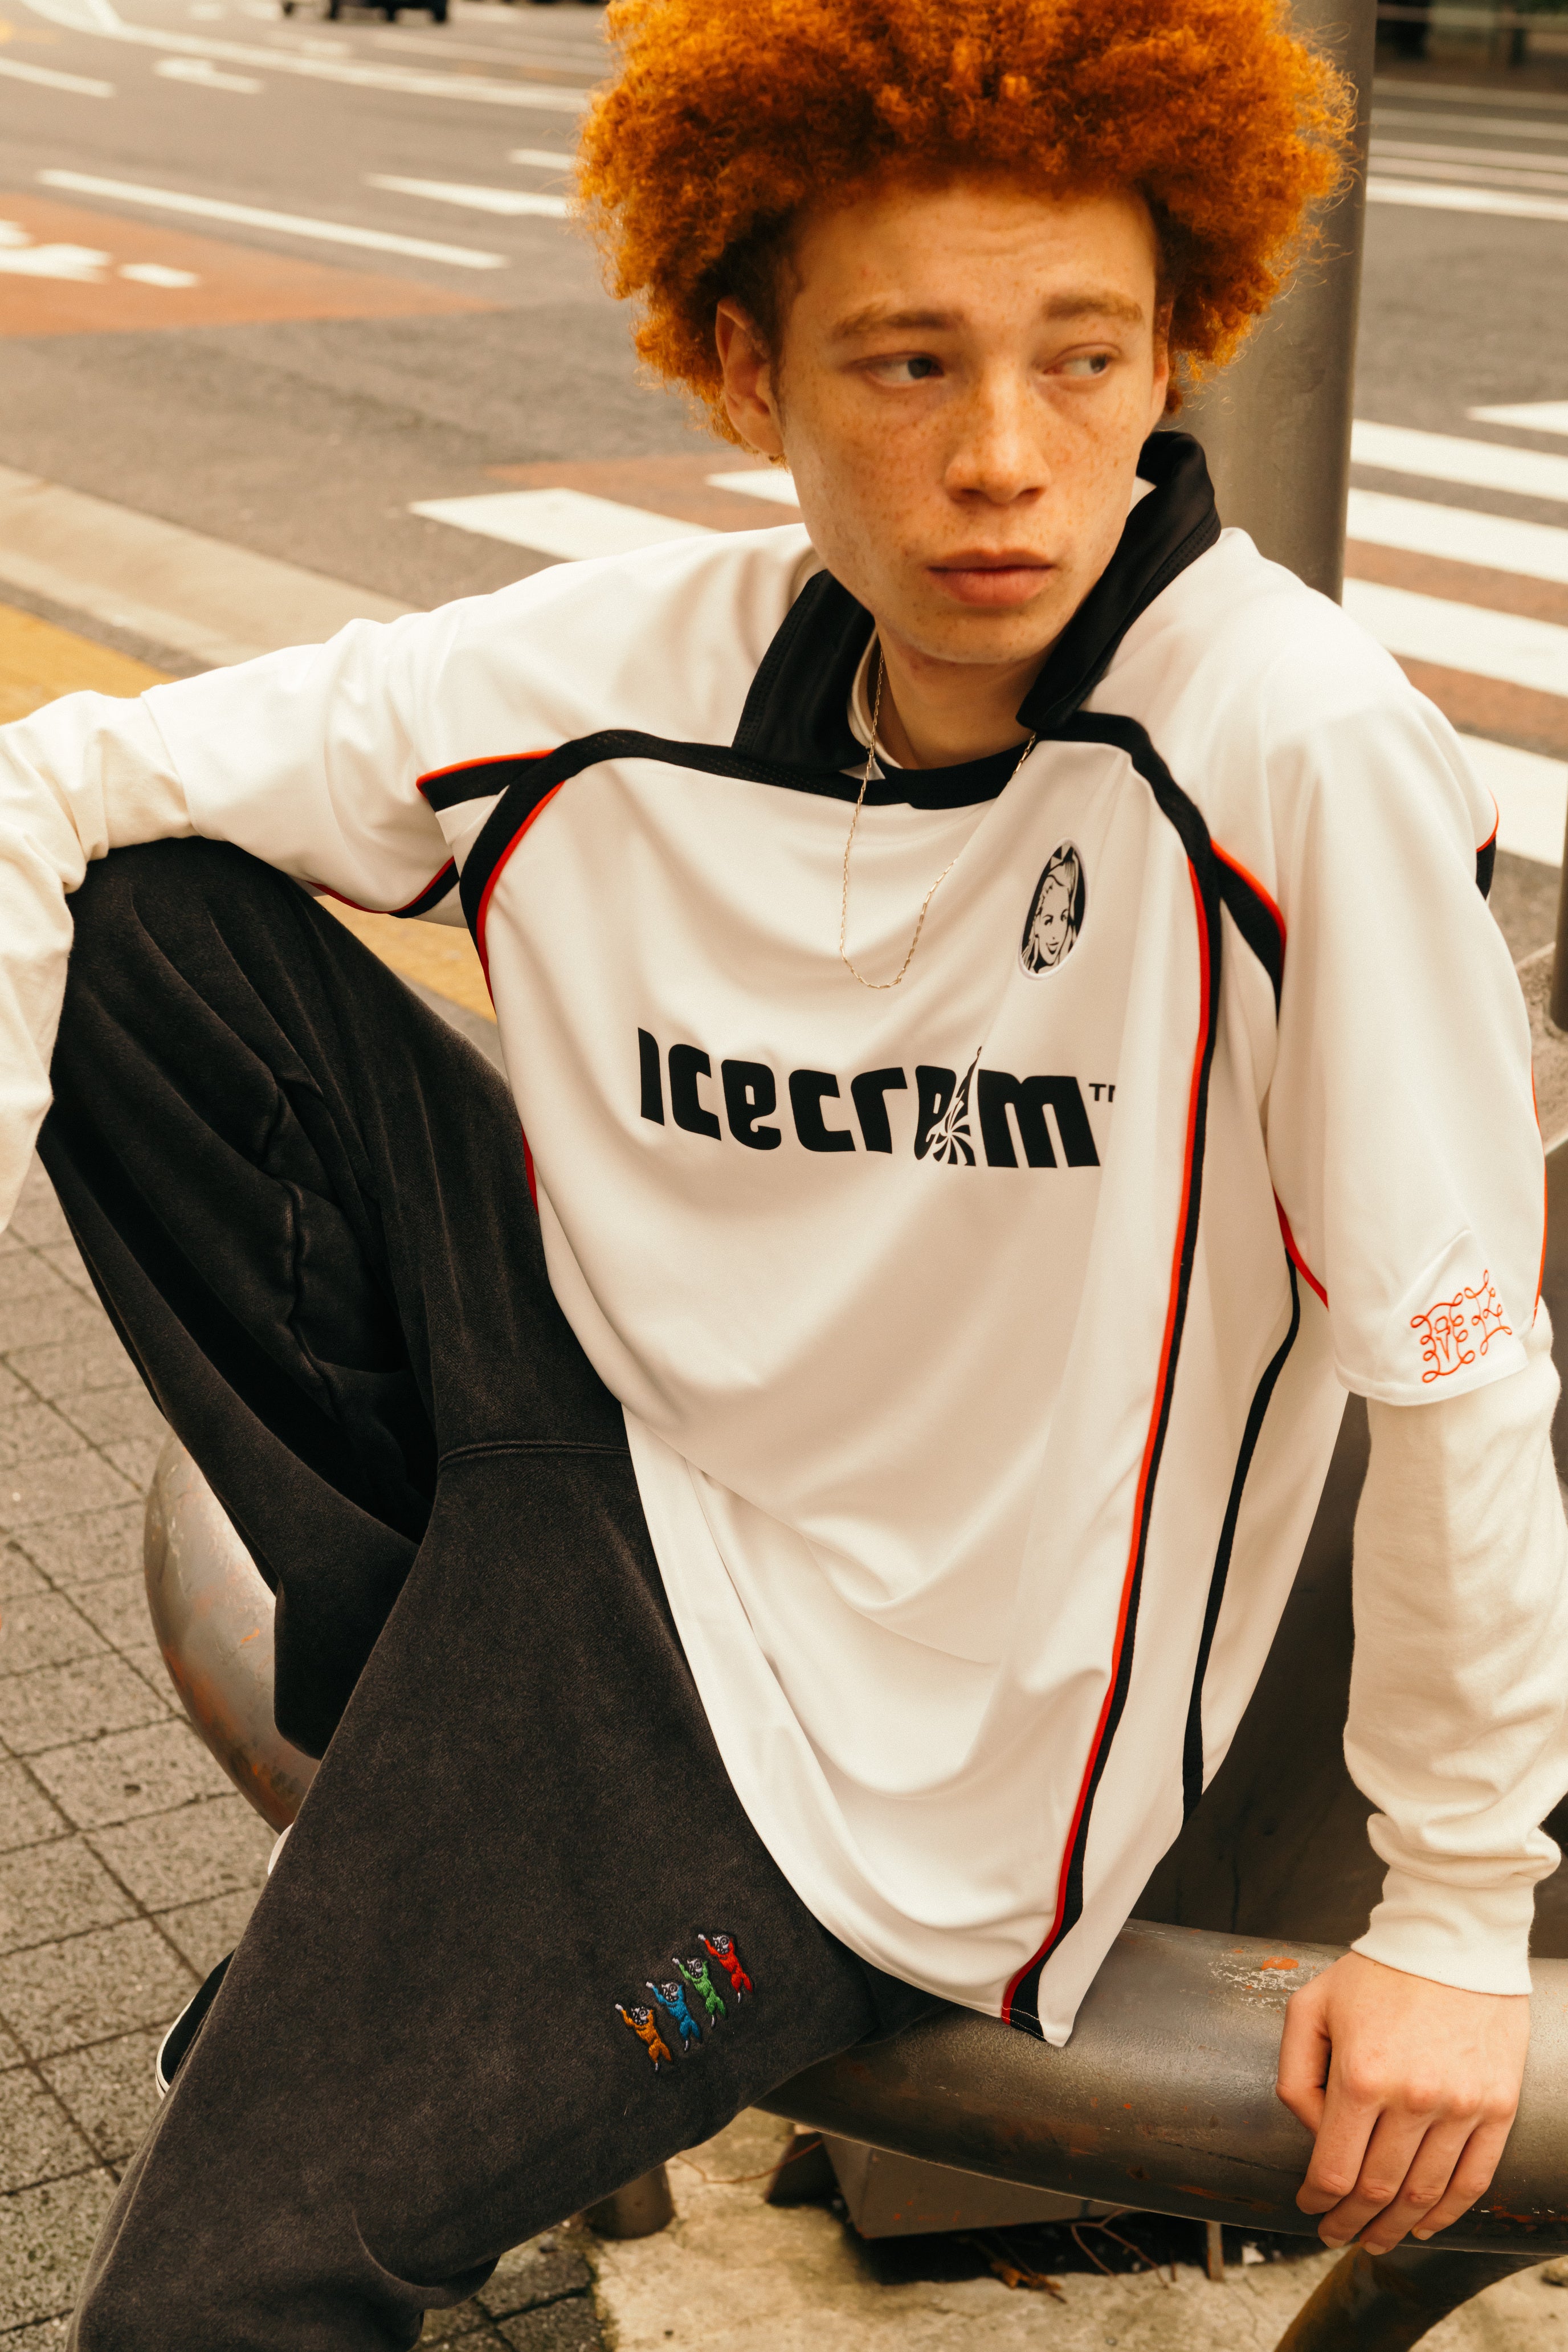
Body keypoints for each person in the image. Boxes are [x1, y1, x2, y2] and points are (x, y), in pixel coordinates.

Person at [0, 0, 1562, 2339]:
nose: (1004, 460)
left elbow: (1455, 1365)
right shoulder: (633, 666)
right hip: (587, 1466)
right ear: (749, 373)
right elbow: (59, 784)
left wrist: (1450, 1913)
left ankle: (441, 1911)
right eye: (907, 364)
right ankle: (421, 1795)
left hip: (871, 1760)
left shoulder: (1289, 752)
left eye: (1081, 358)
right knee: (146, 919)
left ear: (1172, 354)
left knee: (214, 2302)